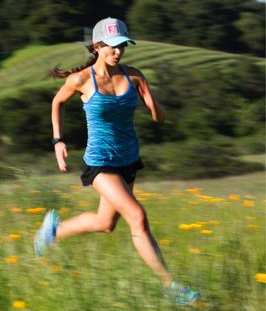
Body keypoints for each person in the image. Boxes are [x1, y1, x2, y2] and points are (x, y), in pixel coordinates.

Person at [34, 17, 200, 306]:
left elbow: (160, 119)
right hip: (101, 162)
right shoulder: (81, 79)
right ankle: (171, 286)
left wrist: (151, 99)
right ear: (97, 46)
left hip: (128, 160)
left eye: (122, 45)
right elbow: (57, 102)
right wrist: (58, 141)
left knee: (106, 223)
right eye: (112, 46)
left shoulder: (134, 76)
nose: (119, 51)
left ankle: (53, 231)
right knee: (137, 216)